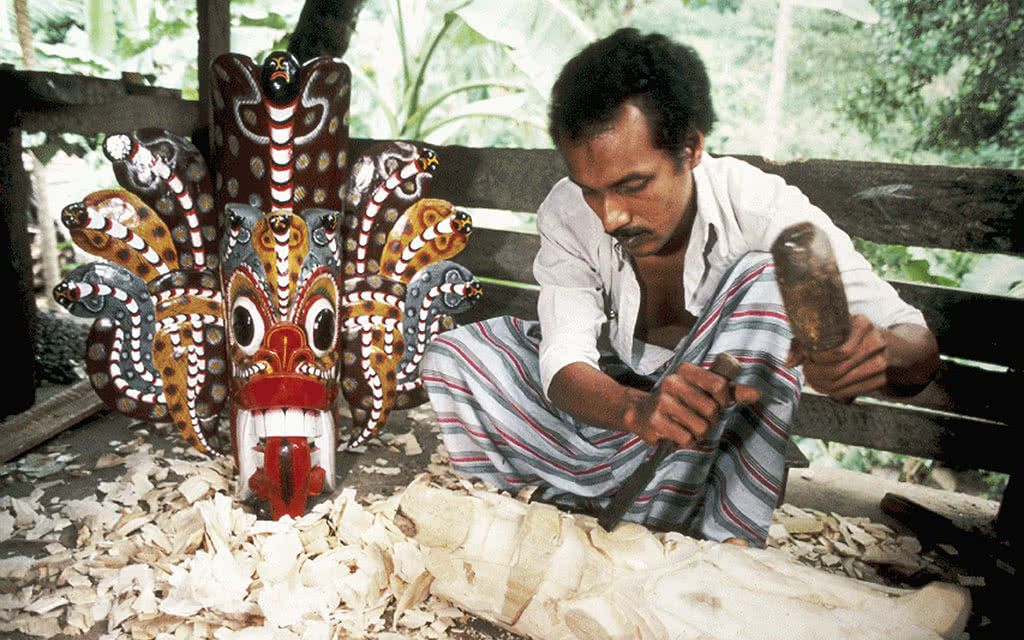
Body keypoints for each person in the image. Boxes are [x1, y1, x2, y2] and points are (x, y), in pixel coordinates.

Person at [420, 28, 939, 546]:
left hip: (709, 438)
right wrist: (636, 410)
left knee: (765, 280)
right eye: (591, 191)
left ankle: (721, 535)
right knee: (457, 355)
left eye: (632, 186)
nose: (610, 217)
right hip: (624, 418)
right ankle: (583, 504)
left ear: (690, 149)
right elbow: (564, 362)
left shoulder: (758, 206)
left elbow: (916, 350)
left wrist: (879, 351)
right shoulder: (568, 212)